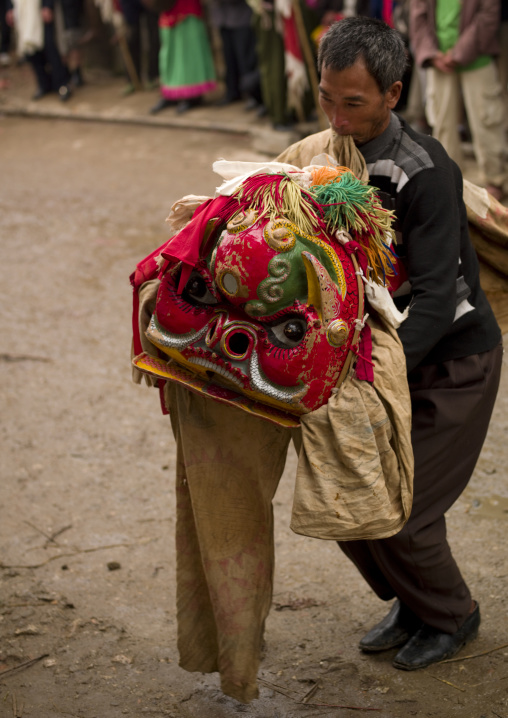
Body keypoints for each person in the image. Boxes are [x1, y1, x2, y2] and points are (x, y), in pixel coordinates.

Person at [277, 16, 503, 670]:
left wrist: (374, 369)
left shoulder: (423, 171)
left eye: (355, 103)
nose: (338, 117)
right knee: (351, 500)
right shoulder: (321, 157)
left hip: (453, 358)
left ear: (393, 94)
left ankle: (454, 615)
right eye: (327, 99)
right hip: (381, 351)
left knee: (400, 510)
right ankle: (414, 601)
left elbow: (438, 296)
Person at [410, 0, 507, 201]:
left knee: (486, 120)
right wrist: (434, 55)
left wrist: (459, 53)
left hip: (477, 56)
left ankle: (494, 179)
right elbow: (418, 18)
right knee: (442, 122)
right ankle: (448, 179)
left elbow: (488, 14)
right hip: (438, 60)